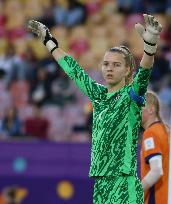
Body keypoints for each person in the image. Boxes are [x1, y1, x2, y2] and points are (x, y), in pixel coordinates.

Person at [27, 14, 162, 204]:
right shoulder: (97, 95)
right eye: (106, 64)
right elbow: (74, 69)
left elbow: (145, 72)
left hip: (124, 183)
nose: (109, 68)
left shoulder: (131, 95)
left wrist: (149, 49)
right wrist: (49, 41)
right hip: (100, 183)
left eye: (116, 65)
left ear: (127, 71)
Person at [140, 91, 170, 204]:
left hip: (157, 199)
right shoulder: (167, 131)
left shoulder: (151, 133)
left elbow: (156, 171)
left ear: (151, 110)